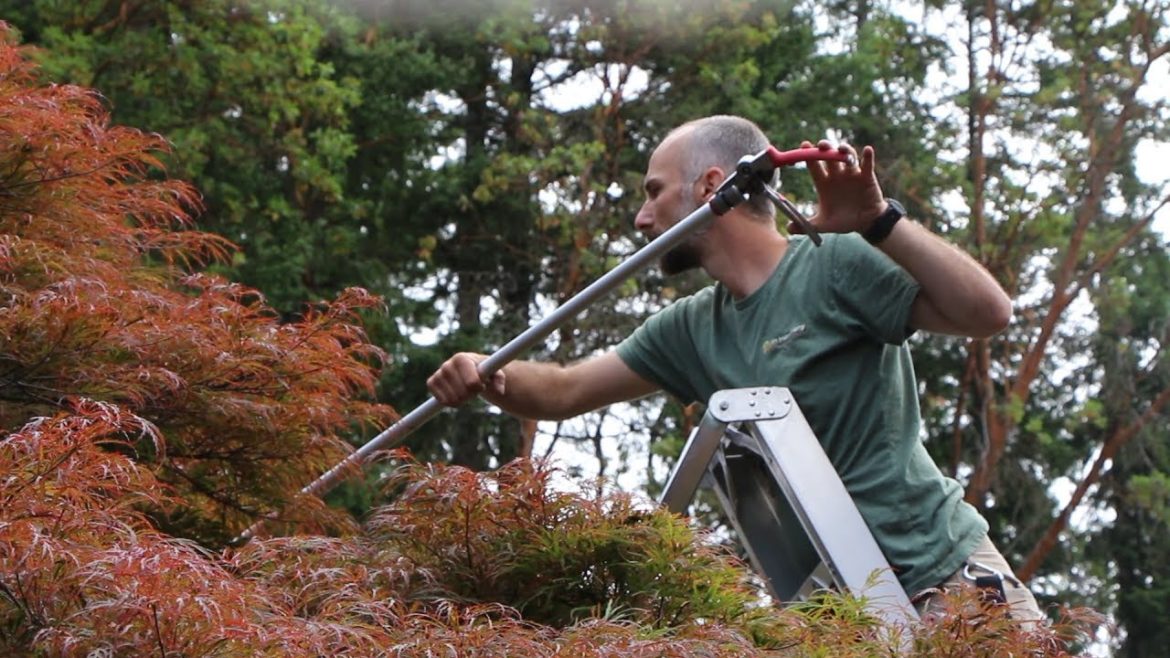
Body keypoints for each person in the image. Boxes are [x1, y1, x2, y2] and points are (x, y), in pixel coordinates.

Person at [426, 115, 1042, 621]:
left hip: (949, 583)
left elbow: (987, 312)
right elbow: (563, 390)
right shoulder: (692, 328)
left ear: (709, 185)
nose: (641, 220)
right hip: (841, 621)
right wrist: (488, 373)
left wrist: (881, 224)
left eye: (653, 192)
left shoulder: (834, 264)